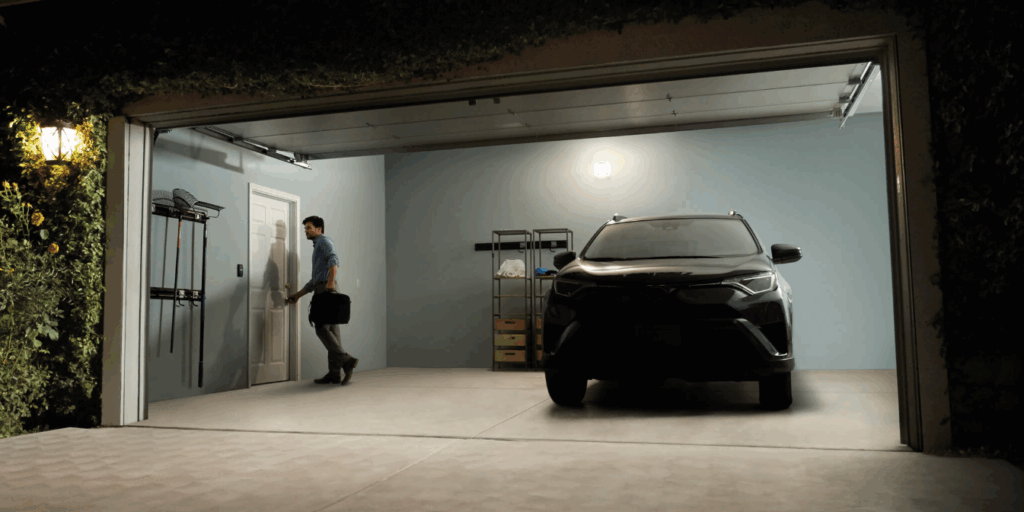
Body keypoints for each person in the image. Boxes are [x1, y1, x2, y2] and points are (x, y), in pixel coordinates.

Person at [285, 216, 359, 384]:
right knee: (333, 333)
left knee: (321, 328)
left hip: (327, 289)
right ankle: (334, 373)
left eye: (309, 227)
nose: (306, 231)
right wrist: (297, 295)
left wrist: (330, 283)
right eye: (305, 228)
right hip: (323, 287)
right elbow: (313, 281)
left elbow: (334, 260)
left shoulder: (324, 241)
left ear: (319, 229)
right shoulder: (317, 246)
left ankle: (346, 360)